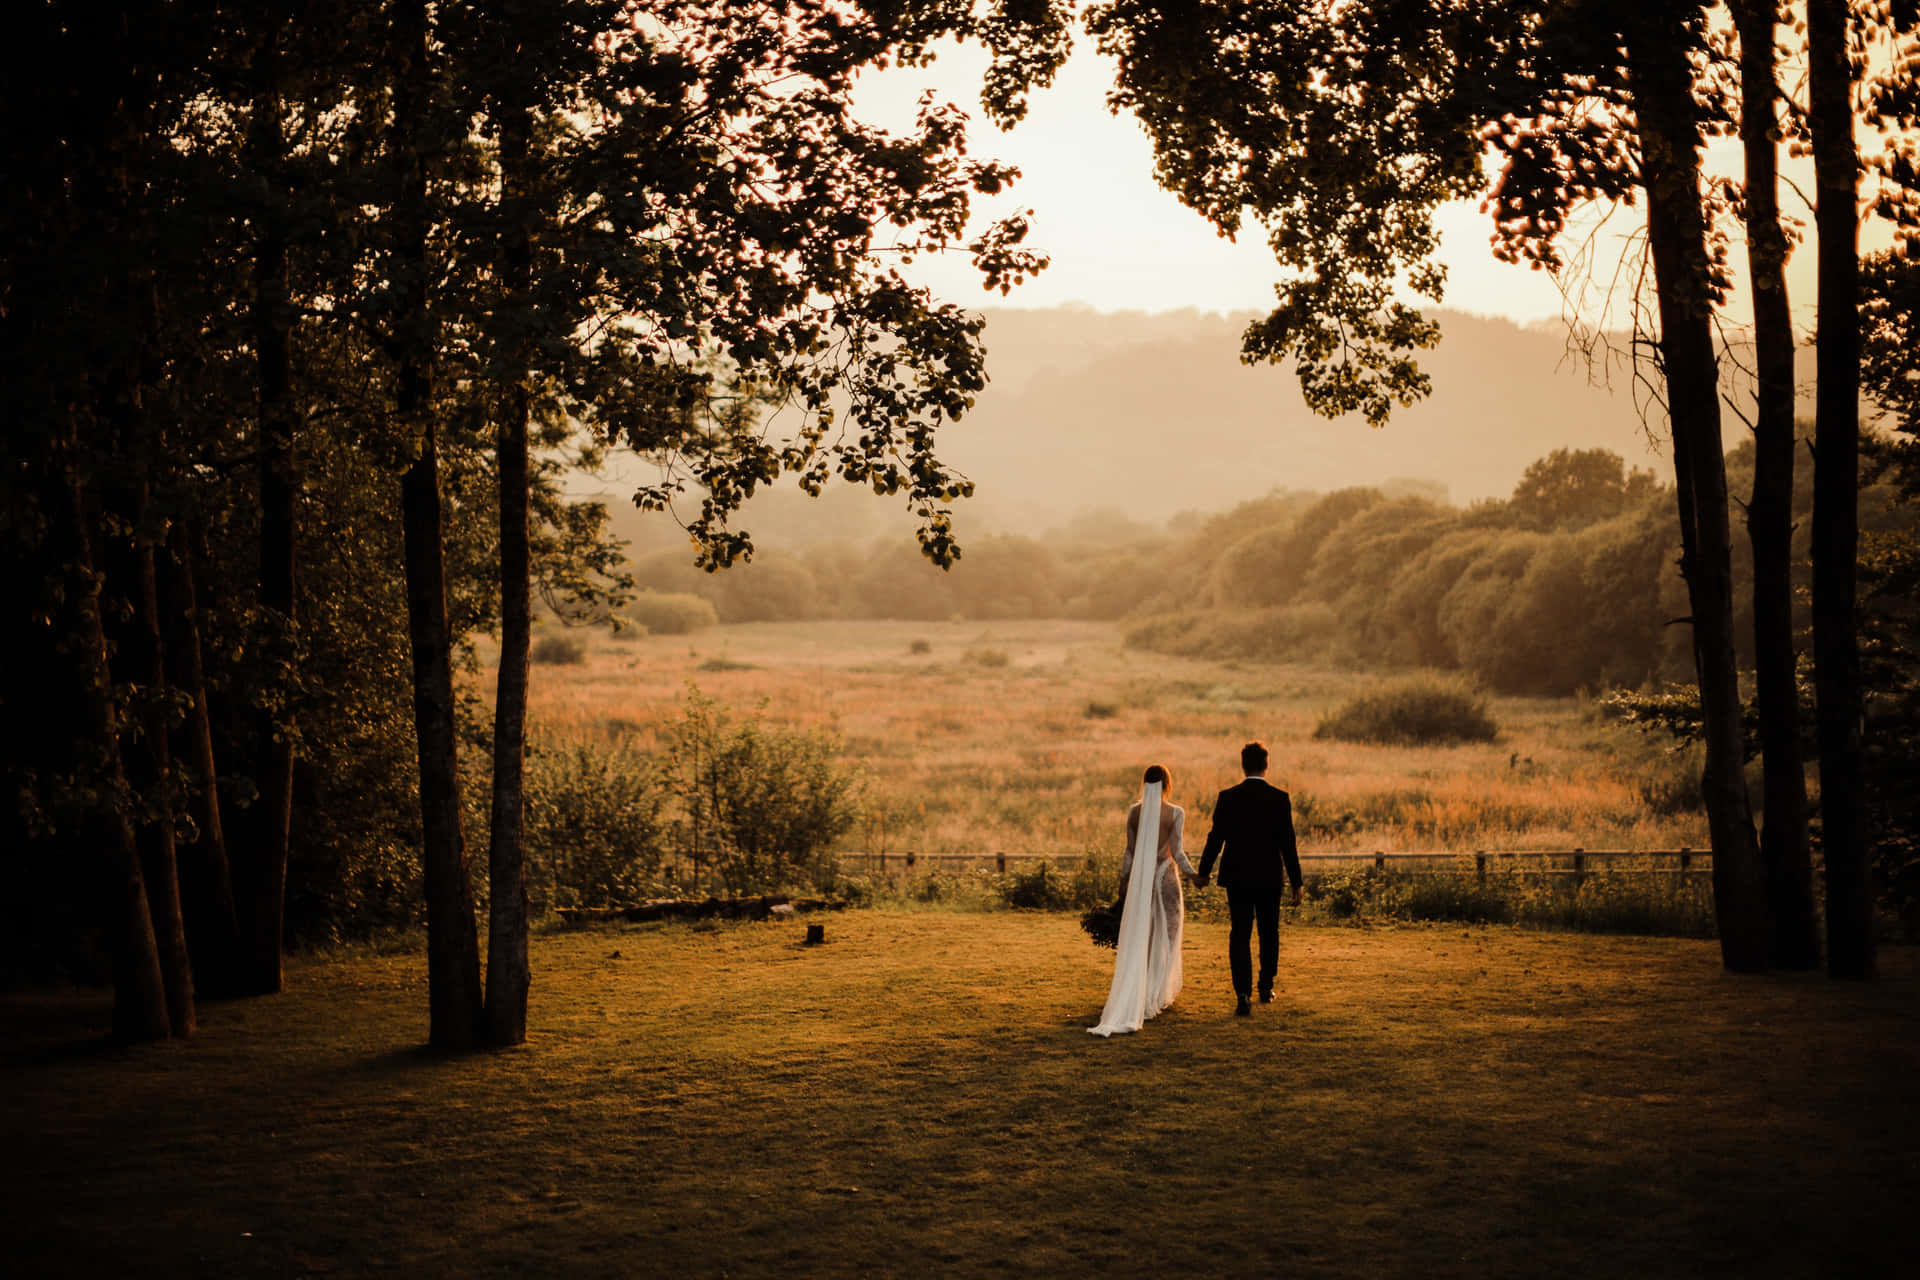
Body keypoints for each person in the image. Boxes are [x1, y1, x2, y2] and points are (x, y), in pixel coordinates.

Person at [1194, 741, 1302, 1017]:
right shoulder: (1280, 798)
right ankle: (1265, 986)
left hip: (1237, 875)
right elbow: (1287, 843)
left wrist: (1204, 871)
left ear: (1243, 765)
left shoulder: (1228, 797)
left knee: (1239, 933)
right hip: (1268, 876)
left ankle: (1242, 994)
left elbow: (1215, 837)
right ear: (1266, 765)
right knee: (1269, 932)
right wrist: (1296, 882)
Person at [1089, 764, 1197, 1037]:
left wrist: (1124, 882)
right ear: (1167, 785)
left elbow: (1129, 852)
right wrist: (1194, 876)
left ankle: (1142, 989)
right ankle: (1157, 993)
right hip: (1165, 879)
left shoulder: (1135, 812)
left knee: (1144, 934)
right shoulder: (1175, 813)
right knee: (1169, 934)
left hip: (1141, 881)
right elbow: (1178, 852)